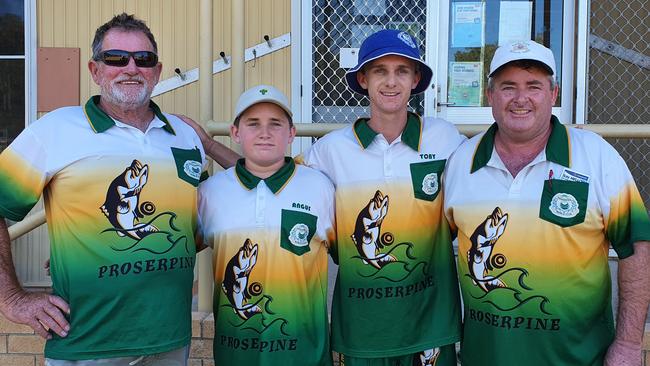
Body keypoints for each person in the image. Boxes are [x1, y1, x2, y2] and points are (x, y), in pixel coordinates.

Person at [0, 13, 208, 365]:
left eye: (143, 59)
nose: (131, 68)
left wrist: (100, 243)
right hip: (86, 343)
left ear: (157, 72)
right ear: (95, 70)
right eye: (116, 59)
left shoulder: (185, 137)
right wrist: (11, 299)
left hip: (170, 340)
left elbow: (195, 228)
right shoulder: (54, 130)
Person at [443, 40, 650, 365]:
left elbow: (636, 248)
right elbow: (433, 247)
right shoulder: (460, 162)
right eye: (508, 87)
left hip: (581, 359)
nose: (520, 98)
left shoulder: (596, 157)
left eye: (534, 86)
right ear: (490, 96)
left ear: (553, 95)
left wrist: (627, 343)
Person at [297, 29, 465, 366]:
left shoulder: (445, 138)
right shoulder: (331, 149)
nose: (391, 82)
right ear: (362, 78)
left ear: (416, 78)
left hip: (430, 327)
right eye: (380, 71)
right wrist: (213, 148)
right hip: (363, 329)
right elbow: (276, 182)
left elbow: (497, 167)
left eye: (402, 71)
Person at [197, 85, 335, 365]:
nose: (264, 132)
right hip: (235, 354)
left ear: (291, 133)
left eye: (275, 124)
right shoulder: (210, 193)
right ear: (236, 133)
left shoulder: (319, 187)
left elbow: (347, 255)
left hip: (305, 354)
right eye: (253, 124)